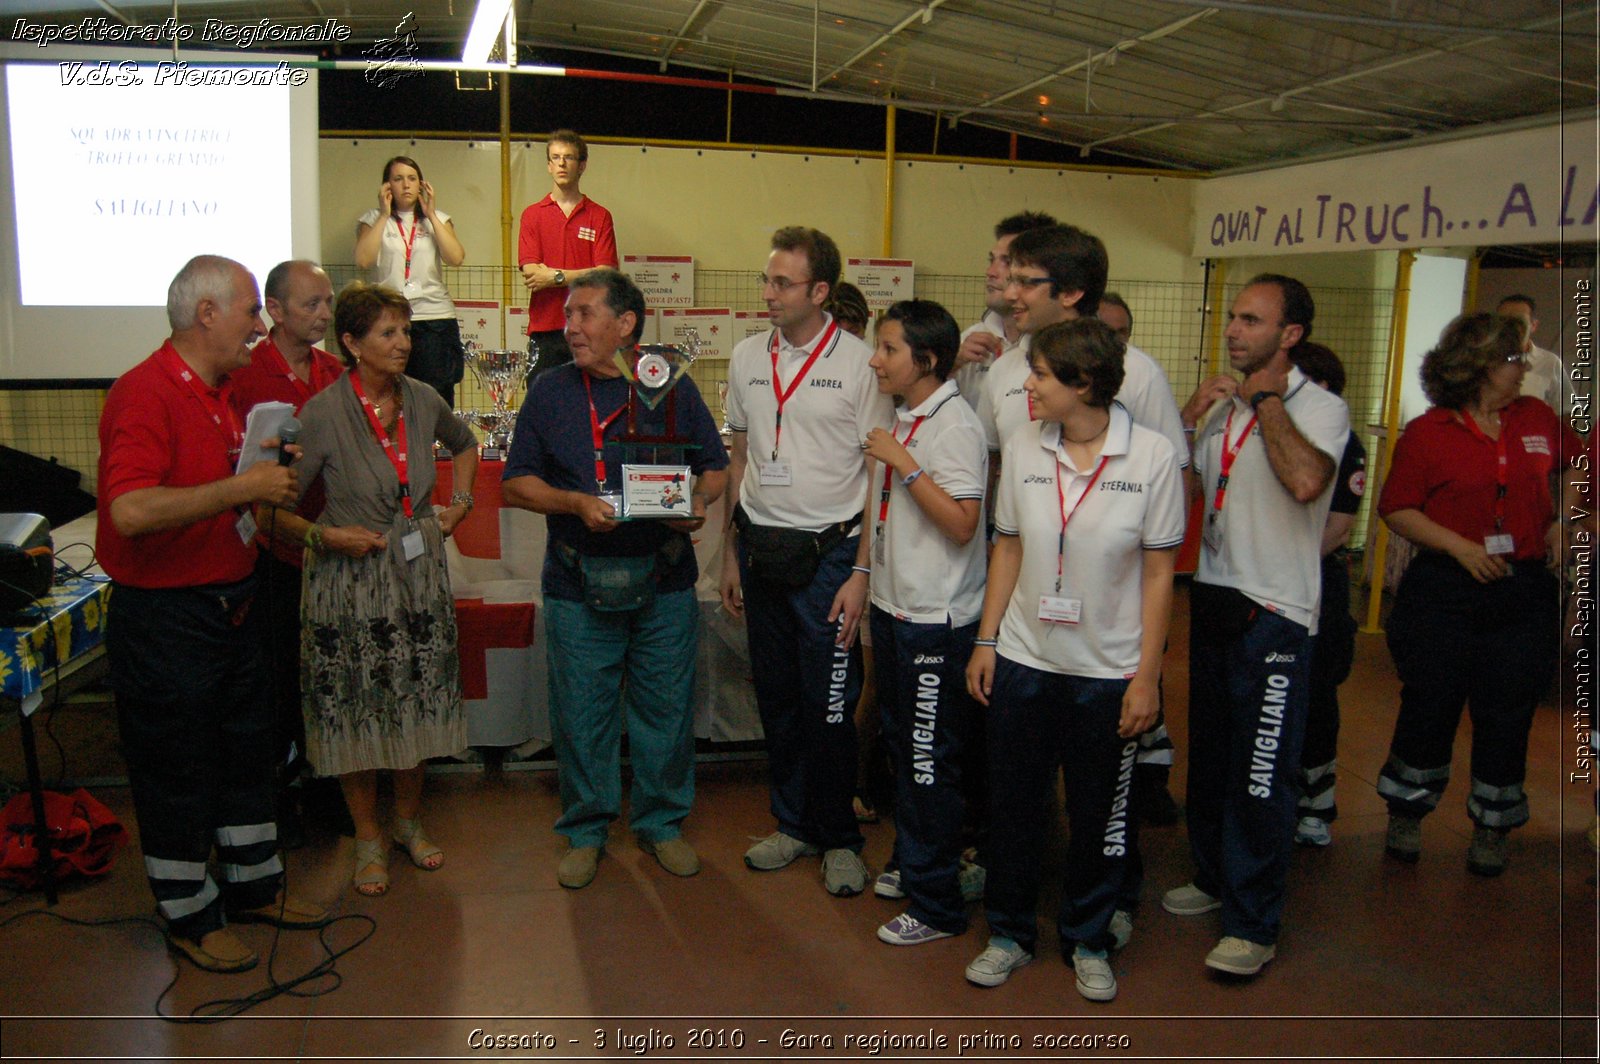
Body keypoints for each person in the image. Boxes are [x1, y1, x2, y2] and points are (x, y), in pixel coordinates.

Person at [98, 254, 329, 973]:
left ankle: (254, 886)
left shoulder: (223, 395)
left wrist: (264, 485)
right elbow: (131, 510)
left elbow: (228, 495)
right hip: (168, 619)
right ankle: (190, 916)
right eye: (250, 312)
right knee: (178, 769)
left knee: (245, 753)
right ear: (206, 315)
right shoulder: (145, 392)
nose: (259, 327)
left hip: (234, 605)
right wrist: (242, 491)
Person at [964, 318, 1184, 999]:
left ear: (1084, 383)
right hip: (1027, 661)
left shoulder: (1149, 458)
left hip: (1108, 673)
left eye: (1041, 375)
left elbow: (1158, 576)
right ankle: (1009, 934)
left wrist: (1146, 677)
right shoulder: (1025, 446)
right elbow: (1007, 546)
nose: (1026, 385)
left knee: (1098, 817)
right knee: (1015, 808)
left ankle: (1089, 939)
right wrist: (988, 638)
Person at [501, 269, 729, 889]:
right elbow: (516, 482)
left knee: (665, 709)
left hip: (665, 583)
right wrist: (575, 503)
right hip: (578, 583)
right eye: (568, 316)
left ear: (625, 325)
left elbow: (713, 468)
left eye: (583, 314)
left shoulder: (670, 387)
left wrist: (700, 505)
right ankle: (585, 829)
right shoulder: (549, 391)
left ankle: (660, 824)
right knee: (582, 714)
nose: (569, 327)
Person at [1165, 274, 1349, 978]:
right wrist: (1192, 416)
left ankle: (1253, 922)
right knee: (1210, 760)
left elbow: (1306, 481)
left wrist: (1267, 400)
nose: (1235, 330)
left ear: (1290, 336)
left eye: (1251, 320)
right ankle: (1214, 878)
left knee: (1261, 771)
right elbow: (1185, 494)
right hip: (1214, 596)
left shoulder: (1318, 409)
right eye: (1233, 317)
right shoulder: (1225, 406)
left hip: (1274, 611)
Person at [719, 225, 892, 897]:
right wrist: (731, 554)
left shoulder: (859, 364)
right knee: (780, 699)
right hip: (762, 549)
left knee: (829, 705)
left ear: (820, 291)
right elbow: (741, 458)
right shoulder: (744, 358)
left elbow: (879, 478)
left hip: (831, 556)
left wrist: (861, 573)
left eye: (782, 282)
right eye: (766, 279)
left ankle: (839, 838)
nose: (768, 293)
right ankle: (792, 823)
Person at [1376, 312, 1579, 876]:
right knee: (1430, 702)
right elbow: (1396, 508)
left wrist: (1564, 516)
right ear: (1480, 366)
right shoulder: (1429, 432)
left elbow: (1580, 462)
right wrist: (1461, 548)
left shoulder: (1535, 417)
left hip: (1524, 589)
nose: (1521, 369)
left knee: (1508, 712)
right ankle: (1407, 810)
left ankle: (1493, 822)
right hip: (1446, 590)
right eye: (1512, 360)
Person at [294, 281, 479, 898]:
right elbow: (279, 506)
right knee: (355, 705)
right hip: (347, 579)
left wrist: (459, 503)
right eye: (387, 334)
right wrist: (325, 539)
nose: (403, 344)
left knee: (417, 695)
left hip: (417, 570)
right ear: (350, 343)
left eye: (406, 332)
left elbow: (466, 444)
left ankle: (407, 823)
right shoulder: (320, 414)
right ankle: (368, 836)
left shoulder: (423, 398)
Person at [859, 299, 987, 946]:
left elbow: (964, 524)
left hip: (935, 622)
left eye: (888, 350)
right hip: (894, 609)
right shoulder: (904, 414)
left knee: (930, 763)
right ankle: (914, 861)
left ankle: (938, 905)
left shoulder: (953, 426)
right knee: (905, 752)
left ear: (927, 360)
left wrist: (905, 466)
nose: (876, 360)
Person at [228, 260, 348, 844]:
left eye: (328, 302)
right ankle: (274, 803)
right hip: (272, 554)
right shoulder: (242, 372)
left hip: (333, 548)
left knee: (326, 679)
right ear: (274, 310)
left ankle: (327, 791)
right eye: (311, 305)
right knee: (275, 681)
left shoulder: (336, 371)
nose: (324, 313)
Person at [1286, 342, 1366, 848]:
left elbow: (1337, 528)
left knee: (1317, 695)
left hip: (1317, 580)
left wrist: (1280, 560)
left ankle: (1315, 803)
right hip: (1268, 584)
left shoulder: (1345, 443)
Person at [354, 155, 467, 406]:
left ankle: (436, 446)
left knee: (434, 395)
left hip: (433, 318)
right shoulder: (372, 219)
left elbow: (456, 257)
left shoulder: (438, 218)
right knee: (391, 393)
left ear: (422, 185)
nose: (406, 185)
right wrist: (384, 215)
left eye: (412, 179)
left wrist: (431, 215)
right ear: (387, 187)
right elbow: (363, 259)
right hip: (388, 317)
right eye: (398, 179)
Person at [518, 130, 620, 376]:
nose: (562, 163)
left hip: (591, 328)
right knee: (545, 408)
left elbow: (606, 274)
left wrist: (555, 277)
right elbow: (532, 272)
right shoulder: (532, 215)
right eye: (555, 157)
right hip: (546, 329)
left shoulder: (600, 216)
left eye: (569, 158)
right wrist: (587, 274)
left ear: (582, 165)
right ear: (549, 166)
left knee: (592, 406)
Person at [953, 211, 1057, 412]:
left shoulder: (1068, 352)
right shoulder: (967, 341)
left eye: (1007, 262)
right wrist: (951, 366)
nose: (990, 272)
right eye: (991, 259)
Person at [1496, 294, 1568, 417]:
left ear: (1533, 325)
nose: (1510, 327)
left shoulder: (1549, 362)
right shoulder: (1481, 360)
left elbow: (1566, 411)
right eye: (1504, 320)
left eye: (1519, 321)